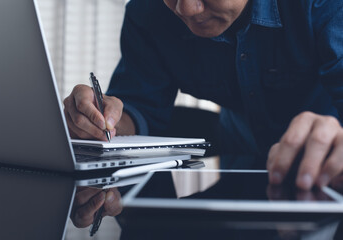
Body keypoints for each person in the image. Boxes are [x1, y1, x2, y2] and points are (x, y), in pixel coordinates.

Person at [63, 0, 343, 191]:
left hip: (326, 170)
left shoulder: (325, 6)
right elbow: (140, 107)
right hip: (237, 172)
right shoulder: (148, 12)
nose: (185, 8)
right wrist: (102, 121)